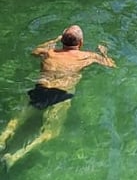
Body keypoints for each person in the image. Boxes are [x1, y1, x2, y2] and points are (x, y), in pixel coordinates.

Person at [0, 25, 115, 168]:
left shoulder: (49, 52)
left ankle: (3, 138)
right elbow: (111, 65)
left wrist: (53, 40)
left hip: (41, 88)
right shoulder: (87, 56)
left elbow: (34, 52)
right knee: (51, 132)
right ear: (80, 43)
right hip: (61, 93)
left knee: (17, 119)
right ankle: (15, 156)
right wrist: (103, 52)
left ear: (62, 41)